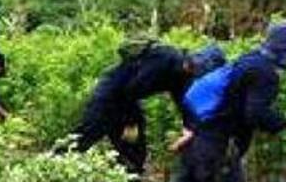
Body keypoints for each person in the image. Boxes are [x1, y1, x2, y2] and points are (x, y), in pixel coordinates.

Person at [137, 22, 286, 182]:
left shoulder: (250, 59)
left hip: (204, 133)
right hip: (221, 142)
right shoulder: (266, 74)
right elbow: (256, 113)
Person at [72, 42, 226, 174]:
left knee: (135, 153)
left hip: (129, 102)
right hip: (108, 96)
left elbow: (184, 103)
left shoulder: (182, 75)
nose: (191, 71)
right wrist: (129, 123)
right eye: (193, 66)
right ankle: (52, 168)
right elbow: (130, 89)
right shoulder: (164, 58)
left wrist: (189, 129)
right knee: (85, 137)